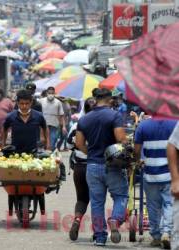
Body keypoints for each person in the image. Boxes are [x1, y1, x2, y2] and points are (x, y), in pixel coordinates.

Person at [76, 88, 128, 246]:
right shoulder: (114, 115)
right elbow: (121, 139)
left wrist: (91, 151)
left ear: (95, 99)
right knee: (121, 196)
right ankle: (114, 220)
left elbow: (79, 144)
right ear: (110, 99)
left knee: (97, 202)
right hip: (112, 165)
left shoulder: (84, 119)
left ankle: (99, 237)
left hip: (92, 165)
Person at [135, 118, 176, 249]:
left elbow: (137, 150)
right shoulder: (175, 123)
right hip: (170, 173)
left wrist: (138, 160)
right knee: (169, 203)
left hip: (150, 174)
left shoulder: (143, 125)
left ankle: (156, 237)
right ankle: (167, 232)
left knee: (153, 206)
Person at [67, 97, 96, 241]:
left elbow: (69, 145)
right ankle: (98, 231)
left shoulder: (77, 124)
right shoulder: (103, 124)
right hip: (96, 166)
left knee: (82, 198)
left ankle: (77, 220)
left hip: (79, 167)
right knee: (98, 199)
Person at [2, 89, 50, 153]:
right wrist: (3, 145)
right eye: (21, 103)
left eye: (27, 103)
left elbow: (45, 128)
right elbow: (4, 130)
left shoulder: (38, 116)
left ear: (31, 103)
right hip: (15, 152)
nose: (24, 106)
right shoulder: (10, 116)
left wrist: (48, 143)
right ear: (17, 103)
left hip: (34, 152)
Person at [40, 87, 66, 151]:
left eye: (52, 93)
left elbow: (62, 115)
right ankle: (44, 154)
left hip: (54, 125)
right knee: (43, 142)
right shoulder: (41, 101)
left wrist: (64, 127)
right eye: (49, 93)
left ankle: (50, 154)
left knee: (53, 141)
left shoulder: (58, 102)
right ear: (47, 93)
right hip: (43, 125)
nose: (51, 94)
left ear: (54, 93)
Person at [167, 123, 179, 250]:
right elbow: (172, 145)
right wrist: (175, 179)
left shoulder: (144, 126)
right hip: (167, 174)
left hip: (152, 173)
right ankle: (164, 231)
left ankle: (160, 233)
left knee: (157, 205)